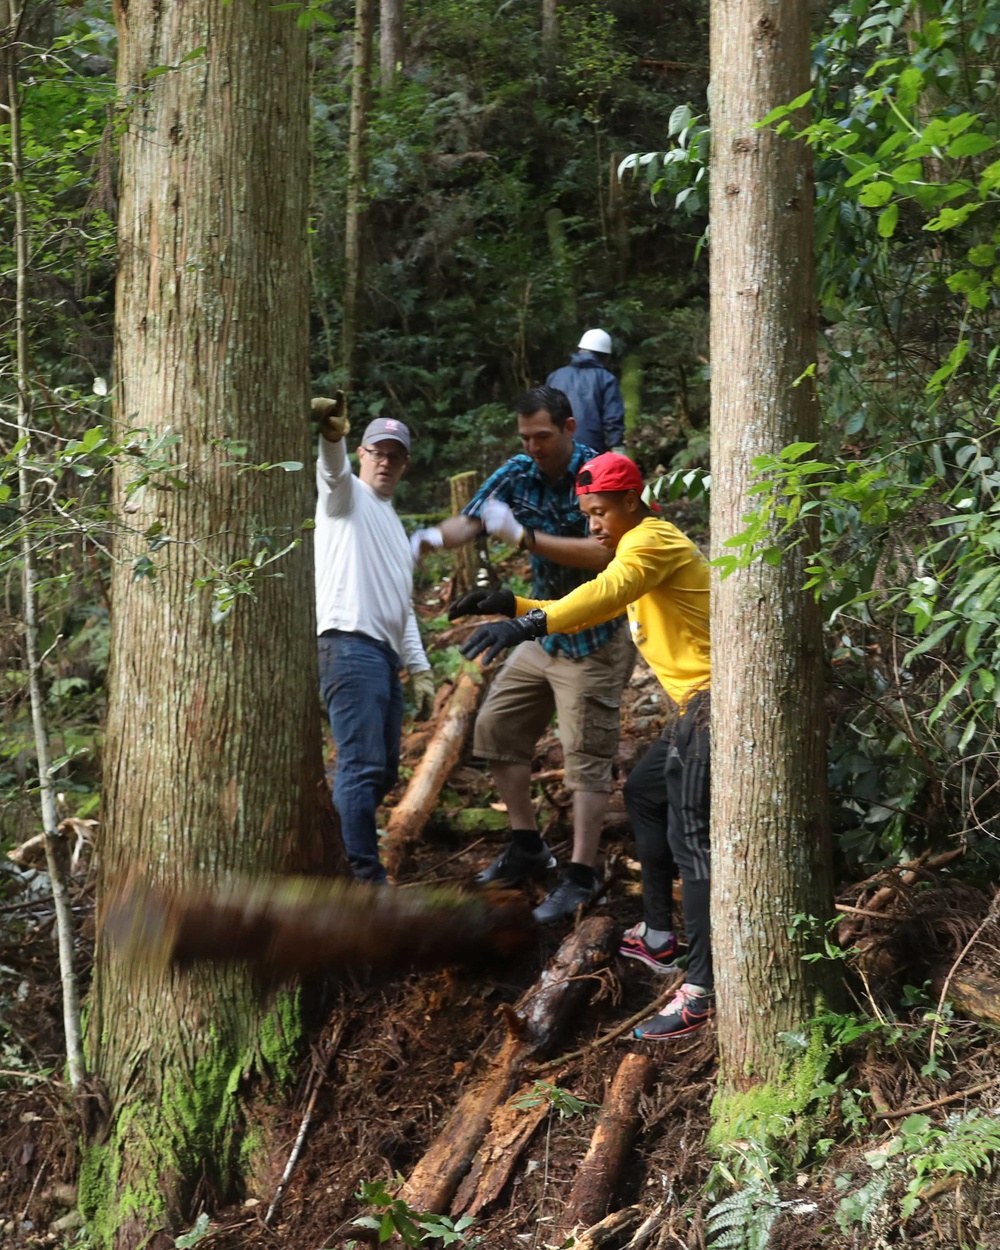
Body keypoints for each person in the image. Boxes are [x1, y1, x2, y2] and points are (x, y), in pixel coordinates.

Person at [452, 452, 712, 1041]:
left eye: (600, 512)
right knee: (645, 794)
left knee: (692, 840)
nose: (593, 525)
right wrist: (513, 606)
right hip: (692, 707)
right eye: (586, 514)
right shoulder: (635, 548)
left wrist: (522, 628)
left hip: (714, 702)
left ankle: (702, 988)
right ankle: (659, 938)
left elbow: (604, 591)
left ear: (630, 501)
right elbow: (597, 598)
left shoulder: (652, 541)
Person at [410, 387, 634, 924]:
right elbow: (474, 520)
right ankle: (527, 843)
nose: (534, 447)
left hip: (594, 638)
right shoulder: (518, 470)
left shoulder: (599, 474)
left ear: (570, 428)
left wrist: (526, 537)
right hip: (541, 632)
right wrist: (424, 540)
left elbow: (604, 551)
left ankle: (580, 875)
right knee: (496, 730)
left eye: (544, 436)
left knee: (585, 758)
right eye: (526, 437)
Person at [313, 399, 436, 884]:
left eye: (396, 455)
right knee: (362, 767)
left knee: (382, 771)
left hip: (383, 657)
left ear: (405, 464)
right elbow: (332, 474)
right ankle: (363, 878)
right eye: (377, 452)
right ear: (362, 454)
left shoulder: (394, 522)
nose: (386, 461)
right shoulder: (347, 499)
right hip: (347, 645)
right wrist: (331, 438)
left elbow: (401, 606)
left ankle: (345, 844)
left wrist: (420, 667)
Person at [545, 328, 626, 455]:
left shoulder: (555, 376)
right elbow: (613, 418)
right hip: (591, 449)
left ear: (580, 350)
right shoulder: (606, 379)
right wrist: (617, 446)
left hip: (556, 446)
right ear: (604, 356)